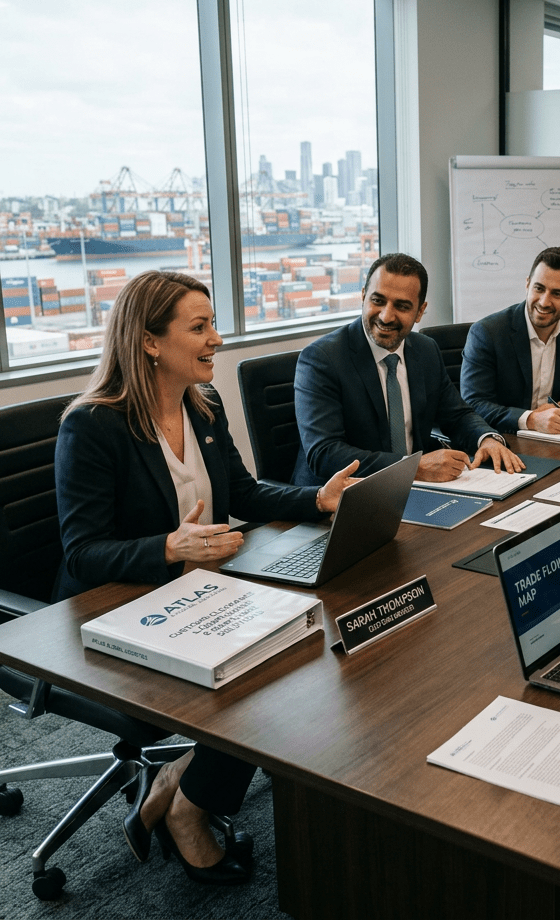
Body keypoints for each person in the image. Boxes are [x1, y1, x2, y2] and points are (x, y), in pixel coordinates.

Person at [54, 271, 360, 886]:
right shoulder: (91, 426)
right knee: (260, 675)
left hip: (200, 591)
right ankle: (187, 812)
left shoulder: (204, 404)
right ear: (149, 341)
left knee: (299, 646)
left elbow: (242, 492)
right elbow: (82, 553)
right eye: (200, 327)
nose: (217, 339)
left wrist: (316, 500)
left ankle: (180, 780)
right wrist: (168, 547)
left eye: (214, 324)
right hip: (120, 607)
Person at [292, 252, 523, 483]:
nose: (386, 316)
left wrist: (486, 439)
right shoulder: (322, 359)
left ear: (420, 311)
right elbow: (325, 454)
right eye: (378, 301)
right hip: (344, 493)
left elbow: (457, 415)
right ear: (363, 296)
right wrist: (413, 467)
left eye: (402, 306)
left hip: (415, 488)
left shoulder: (425, 350)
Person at [460, 247, 560, 434]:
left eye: (557, 294)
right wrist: (531, 419)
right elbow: (473, 404)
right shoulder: (487, 333)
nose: (544, 302)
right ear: (527, 284)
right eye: (539, 288)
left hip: (556, 437)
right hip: (504, 438)